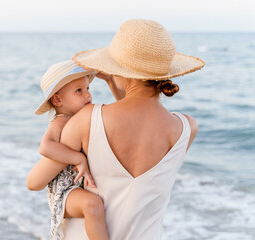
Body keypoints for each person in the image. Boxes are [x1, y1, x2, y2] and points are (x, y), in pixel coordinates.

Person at [28, 19, 205, 239]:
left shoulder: (87, 120)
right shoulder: (188, 128)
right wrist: (113, 80)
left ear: (121, 69)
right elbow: (138, 118)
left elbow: (35, 182)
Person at [27, 60, 112, 240]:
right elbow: (46, 146)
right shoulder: (62, 120)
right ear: (57, 99)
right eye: (79, 91)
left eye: (88, 88)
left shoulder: (81, 119)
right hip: (64, 191)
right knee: (92, 205)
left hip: (76, 185)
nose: (88, 95)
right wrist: (78, 159)